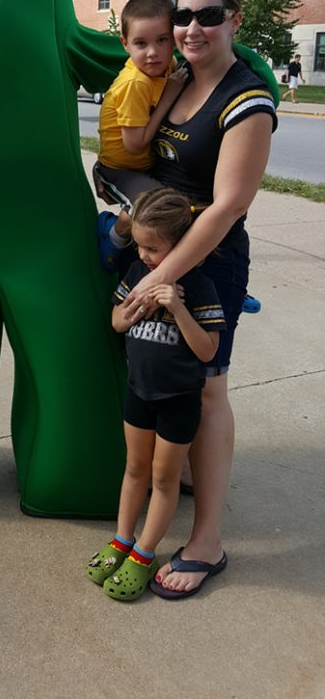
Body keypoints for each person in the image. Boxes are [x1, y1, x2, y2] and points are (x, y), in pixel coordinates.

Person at [113, 0, 277, 599]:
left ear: (235, 19)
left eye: (208, 16)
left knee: (207, 390)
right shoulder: (177, 81)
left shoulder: (246, 100)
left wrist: (163, 274)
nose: (191, 28)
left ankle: (207, 540)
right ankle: (178, 473)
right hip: (157, 255)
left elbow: (228, 205)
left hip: (208, 264)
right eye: (183, 16)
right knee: (158, 375)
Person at [86, 188, 226, 602]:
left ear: (180, 244)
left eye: (153, 248)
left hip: (178, 400)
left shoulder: (199, 287)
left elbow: (208, 351)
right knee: (135, 468)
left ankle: (144, 554)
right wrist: (133, 308)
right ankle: (122, 540)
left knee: (163, 479)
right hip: (139, 392)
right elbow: (116, 321)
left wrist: (177, 309)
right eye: (140, 246)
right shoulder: (136, 273)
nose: (144, 256)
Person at [92, 0, 187, 268]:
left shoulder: (167, 68)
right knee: (155, 207)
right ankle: (113, 235)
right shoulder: (136, 83)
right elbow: (134, 144)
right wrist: (168, 97)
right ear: (125, 44)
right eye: (141, 43)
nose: (153, 52)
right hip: (119, 168)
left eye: (162, 40)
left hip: (145, 166)